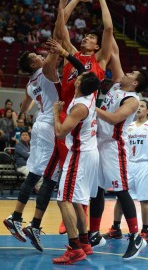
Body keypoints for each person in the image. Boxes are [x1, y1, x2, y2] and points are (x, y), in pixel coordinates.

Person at [3, 0, 88, 252]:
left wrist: (22, 111)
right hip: (50, 125)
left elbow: (25, 104)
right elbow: (58, 35)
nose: (41, 55)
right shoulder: (46, 71)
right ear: (34, 64)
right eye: (36, 56)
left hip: (42, 124)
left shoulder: (30, 84)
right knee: (48, 176)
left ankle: (24, 220)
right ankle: (22, 220)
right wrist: (67, 4)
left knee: (44, 174)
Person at [47, 0, 113, 236]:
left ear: (96, 46)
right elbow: (60, 25)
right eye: (85, 35)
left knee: (75, 173)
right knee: (67, 171)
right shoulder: (72, 50)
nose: (87, 37)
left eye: (90, 37)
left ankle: (78, 222)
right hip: (65, 111)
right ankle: (76, 219)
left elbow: (107, 28)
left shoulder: (99, 59)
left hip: (81, 116)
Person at [88, 37, 148, 260]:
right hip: (99, 143)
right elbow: (113, 49)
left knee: (122, 191)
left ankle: (135, 236)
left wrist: (90, 107)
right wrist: (105, 16)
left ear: (134, 84)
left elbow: (113, 119)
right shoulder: (117, 84)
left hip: (115, 148)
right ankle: (94, 233)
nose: (127, 73)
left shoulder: (133, 99)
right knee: (96, 190)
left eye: (132, 74)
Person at [52, 72, 100, 265]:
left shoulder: (79, 107)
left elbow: (60, 132)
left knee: (64, 200)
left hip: (79, 155)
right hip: (89, 153)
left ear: (79, 84)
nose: (76, 78)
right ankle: (85, 243)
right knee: (78, 200)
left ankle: (74, 249)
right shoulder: (90, 96)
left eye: (78, 78)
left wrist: (56, 112)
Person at [102, 99, 148, 243]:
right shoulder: (129, 126)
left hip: (144, 164)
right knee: (121, 197)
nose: (139, 108)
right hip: (129, 165)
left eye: (142, 106)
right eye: (138, 106)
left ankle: (145, 230)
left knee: (144, 199)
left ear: (147, 110)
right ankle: (116, 228)